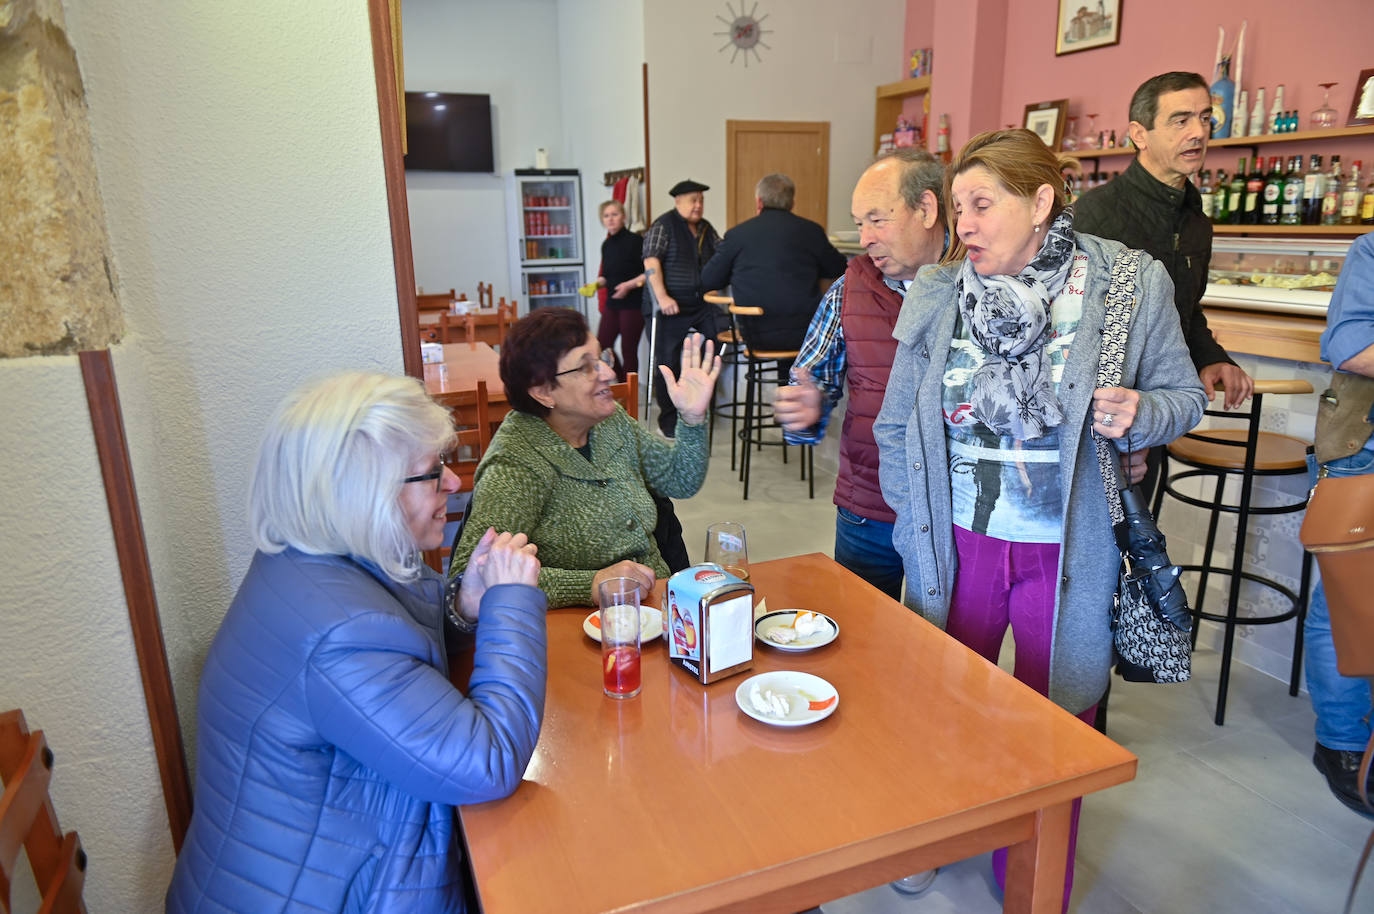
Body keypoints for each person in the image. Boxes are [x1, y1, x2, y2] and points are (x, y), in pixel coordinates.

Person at [873, 128, 1206, 911]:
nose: (966, 227)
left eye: (982, 205)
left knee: (1058, 718)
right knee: (940, 703)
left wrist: (1144, 413)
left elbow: (1182, 397)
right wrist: (906, 519)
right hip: (957, 541)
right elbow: (895, 424)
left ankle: (1032, 875)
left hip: (1069, 547)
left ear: (1042, 201)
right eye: (959, 208)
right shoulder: (939, 291)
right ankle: (934, 832)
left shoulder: (1128, 285)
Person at [166, 372, 547, 912]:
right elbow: (490, 762)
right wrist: (511, 603)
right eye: (431, 473)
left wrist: (466, 607)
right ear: (364, 493)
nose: (455, 484)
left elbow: (400, 649)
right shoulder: (339, 635)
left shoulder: (314, 558)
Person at [451, 307, 720, 609]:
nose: (608, 373)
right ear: (543, 392)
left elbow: (679, 480)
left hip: (655, 608)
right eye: (586, 367)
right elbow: (471, 576)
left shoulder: (610, 422)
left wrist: (692, 418)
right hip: (581, 628)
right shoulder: (516, 463)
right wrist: (587, 584)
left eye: (602, 357)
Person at [772, 148, 948, 602]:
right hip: (869, 506)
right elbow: (812, 377)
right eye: (859, 223)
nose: (864, 238)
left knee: (943, 655)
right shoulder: (850, 287)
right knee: (862, 634)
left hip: (956, 512)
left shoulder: (983, 284)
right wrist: (808, 406)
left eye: (877, 219)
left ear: (927, 209)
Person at [1075, 71, 1254, 502]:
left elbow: (1185, 310)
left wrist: (1212, 358)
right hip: (1088, 420)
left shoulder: (1196, 221)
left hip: (1150, 413)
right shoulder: (1094, 216)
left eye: (1205, 118)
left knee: (1137, 545)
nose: (1198, 132)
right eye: (1180, 120)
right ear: (1139, 134)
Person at [1306, 232, 1374, 819]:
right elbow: (1346, 343)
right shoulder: (1373, 249)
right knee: (1345, 603)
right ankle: (1343, 745)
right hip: (1365, 447)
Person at [699, 172, 847, 354]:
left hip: (757, 335)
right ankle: (793, 381)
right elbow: (838, 268)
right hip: (806, 333)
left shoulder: (738, 235)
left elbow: (708, 279)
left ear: (759, 202)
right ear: (792, 203)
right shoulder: (812, 231)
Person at [643, 178, 727, 436]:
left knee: (718, 340)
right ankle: (668, 424)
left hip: (699, 302)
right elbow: (651, 261)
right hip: (668, 304)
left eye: (701, 200)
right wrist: (663, 297)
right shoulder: (663, 225)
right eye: (693, 200)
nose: (699, 205)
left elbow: (723, 253)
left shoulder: (704, 228)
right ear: (678, 201)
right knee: (667, 361)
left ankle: (699, 412)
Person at [589, 199, 646, 379]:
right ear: (602, 220)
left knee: (628, 350)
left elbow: (649, 273)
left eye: (615, 214)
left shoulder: (636, 241)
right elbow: (607, 276)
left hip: (633, 304)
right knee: (602, 345)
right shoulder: (606, 245)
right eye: (606, 216)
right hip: (613, 303)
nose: (610, 219)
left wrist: (628, 286)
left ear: (624, 217)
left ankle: (630, 393)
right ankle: (621, 381)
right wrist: (595, 285)